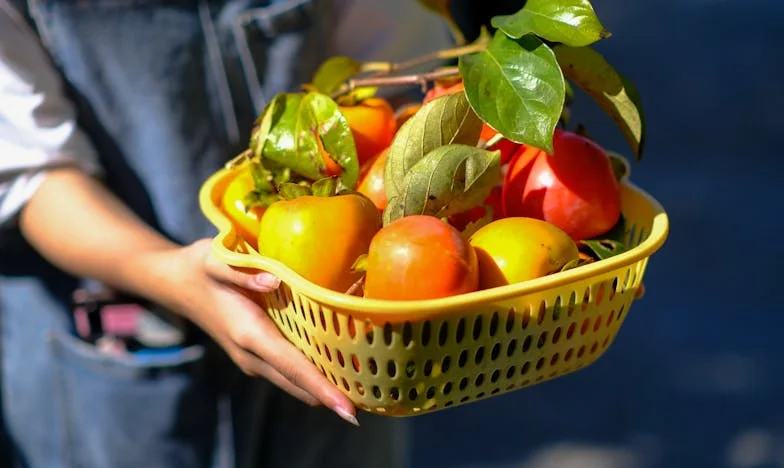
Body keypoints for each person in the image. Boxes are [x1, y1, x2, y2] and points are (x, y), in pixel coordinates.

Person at [0, 1, 452, 467]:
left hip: (341, 343)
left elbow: (389, 64)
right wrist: (171, 275)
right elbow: (34, 172)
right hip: (116, 348)